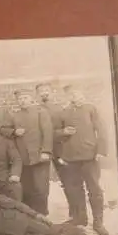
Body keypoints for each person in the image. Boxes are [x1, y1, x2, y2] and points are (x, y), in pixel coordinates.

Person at [57, 85, 109, 235]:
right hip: (71, 158)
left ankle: (98, 222)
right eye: (70, 94)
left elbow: (102, 130)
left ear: (82, 93)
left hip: (89, 156)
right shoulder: (64, 112)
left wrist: (100, 151)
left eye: (76, 93)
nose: (73, 96)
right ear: (67, 96)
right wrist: (63, 132)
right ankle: (80, 218)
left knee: (94, 189)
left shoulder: (91, 109)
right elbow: (55, 133)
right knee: (74, 189)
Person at [3, 88, 53, 215]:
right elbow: (3, 129)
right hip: (23, 158)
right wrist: (14, 132)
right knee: (27, 188)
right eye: (20, 99)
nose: (23, 101)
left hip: (40, 157)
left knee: (41, 188)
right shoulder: (15, 115)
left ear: (31, 99)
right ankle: (30, 215)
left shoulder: (41, 112)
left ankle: (43, 214)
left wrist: (46, 151)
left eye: (25, 98)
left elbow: (47, 133)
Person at [35, 82, 76, 216]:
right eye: (41, 91)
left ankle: (75, 212)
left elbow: (67, 129)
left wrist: (61, 133)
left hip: (60, 148)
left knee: (68, 180)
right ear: (37, 94)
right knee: (41, 184)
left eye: (46, 90)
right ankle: (42, 213)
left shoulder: (60, 109)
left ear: (52, 92)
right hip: (42, 150)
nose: (44, 93)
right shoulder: (35, 110)